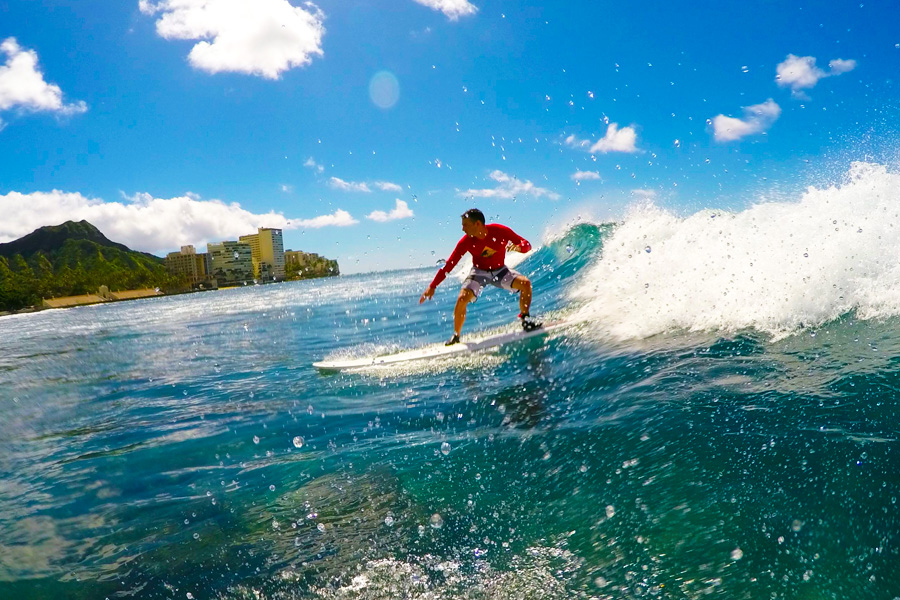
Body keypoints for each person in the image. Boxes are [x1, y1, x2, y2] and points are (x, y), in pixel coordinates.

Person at [419, 208, 541, 345]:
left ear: (477, 224)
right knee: (462, 298)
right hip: (479, 273)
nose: (463, 229)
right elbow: (449, 265)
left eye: (465, 225)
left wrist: (519, 248)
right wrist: (432, 286)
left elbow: (526, 244)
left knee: (525, 284)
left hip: (500, 271)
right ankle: (456, 335)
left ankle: (525, 319)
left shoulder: (499, 231)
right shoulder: (466, 241)